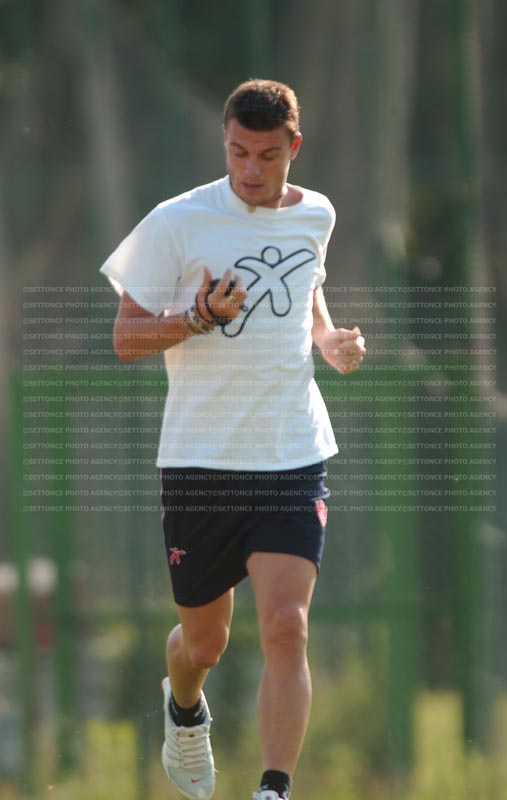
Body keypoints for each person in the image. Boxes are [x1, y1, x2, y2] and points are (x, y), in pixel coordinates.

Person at [100, 79, 365, 800]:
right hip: (201, 462)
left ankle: (272, 789)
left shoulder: (317, 214)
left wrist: (328, 341)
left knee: (285, 626)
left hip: (291, 454)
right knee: (204, 643)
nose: (251, 169)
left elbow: (307, 288)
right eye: (238, 152)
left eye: (267, 155)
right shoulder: (177, 221)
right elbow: (125, 339)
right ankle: (184, 707)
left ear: (294, 148)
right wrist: (195, 320)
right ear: (224, 142)